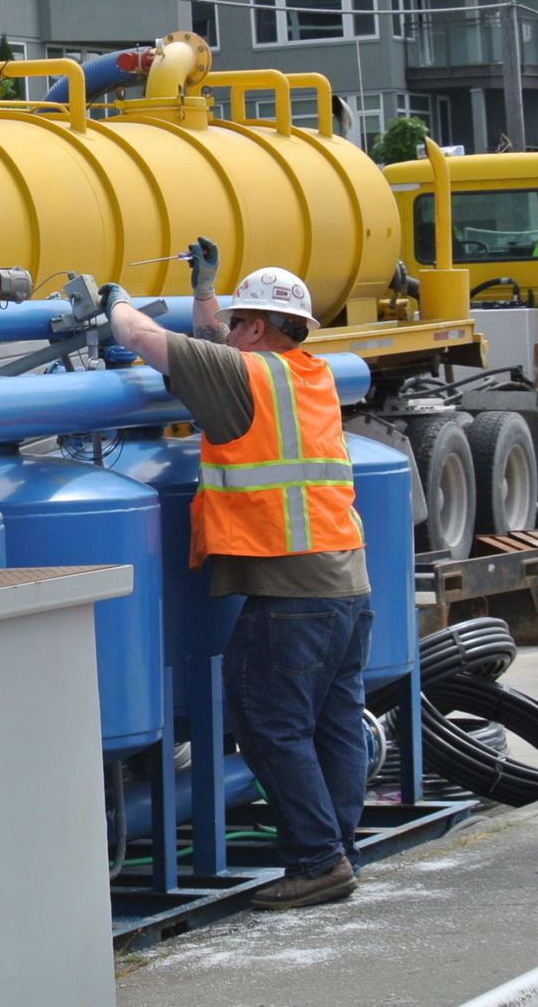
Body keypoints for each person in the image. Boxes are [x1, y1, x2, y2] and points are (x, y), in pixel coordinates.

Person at [99, 239, 372, 911]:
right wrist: (206, 292)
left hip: (290, 595)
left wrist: (113, 299)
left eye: (237, 324)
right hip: (347, 586)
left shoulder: (243, 376)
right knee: (333, 724)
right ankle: (338, 850)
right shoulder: (309, 375)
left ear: (255, 328)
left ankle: (317, 861)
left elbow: (138, 335)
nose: (230, 335)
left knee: (265, 722)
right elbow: (216, 345)